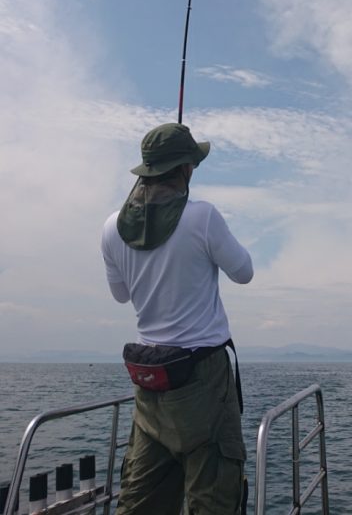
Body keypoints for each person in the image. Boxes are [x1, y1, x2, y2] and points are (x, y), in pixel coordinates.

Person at [101, 123, 253, 515]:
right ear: (185, 168)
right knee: (212, 494)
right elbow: (244, 271)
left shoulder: (112, 228)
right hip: (202, 377)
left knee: (143, 493)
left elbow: (121, 295)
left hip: (151, 381)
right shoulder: (203, 218)